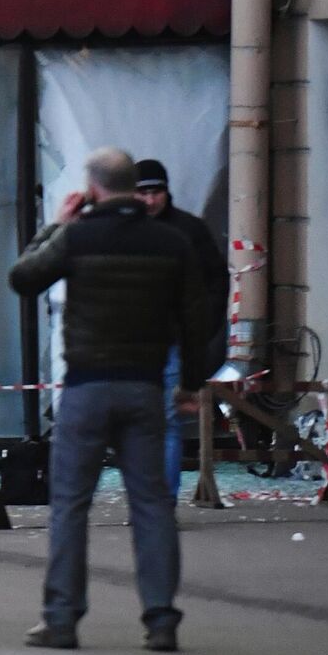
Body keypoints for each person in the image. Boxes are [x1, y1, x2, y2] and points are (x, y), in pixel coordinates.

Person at [9, 147, 216, 653]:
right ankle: (161, 619)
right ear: (132, 186)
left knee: (70, 505)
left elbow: (23, 278)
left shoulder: (79, 237)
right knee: (151, 506)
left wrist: (57, 225)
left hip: (86, 388)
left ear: (94, 187)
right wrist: (188, 383)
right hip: (145, 389)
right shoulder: (170, 242)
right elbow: (197, 319)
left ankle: (61, 619)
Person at [133, 159, 228, 496]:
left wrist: (200, 328)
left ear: (165, 192)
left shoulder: (189, 230)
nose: (149, 200)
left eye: (155, 191)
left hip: (170, 341)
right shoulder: (124, 232)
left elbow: (215, 283)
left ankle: (160, 501)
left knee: (166, 423)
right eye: (142, 192)